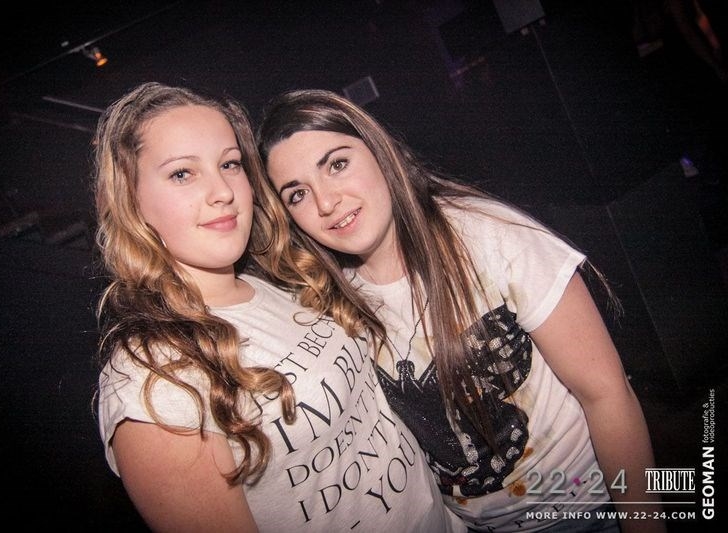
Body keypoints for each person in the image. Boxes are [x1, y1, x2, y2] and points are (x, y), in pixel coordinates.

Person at [254, 89, 666, 533]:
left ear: (379, 152)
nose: (325, 202)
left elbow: (606, 394)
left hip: (585, 510)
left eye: (337, 164)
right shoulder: (331, 303)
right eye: (297, 194)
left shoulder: (487, 236)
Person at [93, 82, 465, 532]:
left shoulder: (273, 283)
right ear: (131, 201)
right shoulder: (151, 382)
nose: (222, 191)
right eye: (182, 174)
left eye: (229, 164)